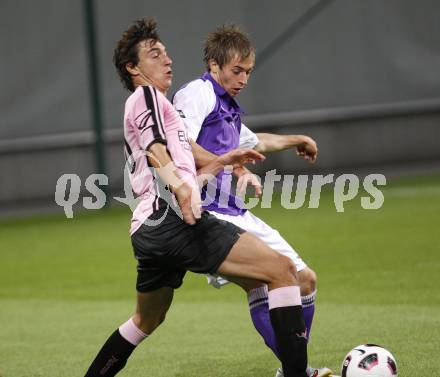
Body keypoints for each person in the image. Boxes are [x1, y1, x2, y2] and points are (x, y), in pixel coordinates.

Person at [84, 19, 310, 377]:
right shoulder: (146, 97)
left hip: (148, 228)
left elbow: (178, 159)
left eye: (167, 53)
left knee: (146, 320)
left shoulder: (161, 105)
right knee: (282, 271)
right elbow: (156, 150)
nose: (167, 60)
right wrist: (181, 187)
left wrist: (224, 161)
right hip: (174, 218)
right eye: (155, 55)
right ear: (133, 68)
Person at [173, 25, 332, 377]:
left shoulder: (228, 107)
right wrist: (229, 163)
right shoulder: (197, 93)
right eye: (236, 70)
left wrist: (296, 140)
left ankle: (293, 368)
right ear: (214, 65)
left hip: (235, 211)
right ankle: (297, 371)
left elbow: (254, 142)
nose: (243, 78)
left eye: (248, 71)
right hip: (209, 216)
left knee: (305, 280)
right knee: (274, 277)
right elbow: (178, 143)